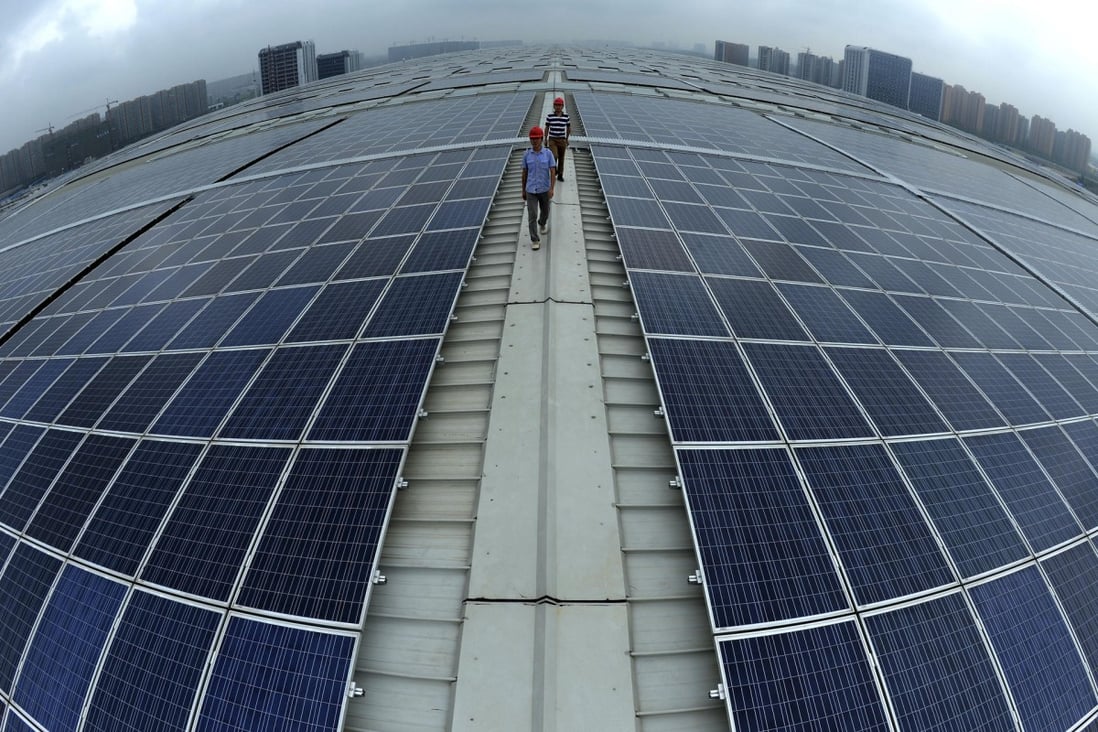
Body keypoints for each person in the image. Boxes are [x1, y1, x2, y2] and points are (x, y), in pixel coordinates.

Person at [521, 126, 556, 250]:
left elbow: (552, 171)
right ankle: (535, 239)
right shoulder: (526, 155)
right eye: (532, 139)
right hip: (531, 190)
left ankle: (542, 223)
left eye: (537, 138)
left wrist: (552, 188)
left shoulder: (548, 154)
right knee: (532, 215)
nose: (534, 141)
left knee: (545, 211)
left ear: (541, 139)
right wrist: (523, 190)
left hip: (544, 189)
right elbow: (524, 173)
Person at [545, 97, 571, 182]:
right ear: (554, 106)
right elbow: (547, 127)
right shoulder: (550, 116)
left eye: (559, 105)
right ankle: (554, 170)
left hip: (562, 139)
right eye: (556, 105)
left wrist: (567, 139)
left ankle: (560, 175)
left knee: (561, 158)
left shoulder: (566, 117)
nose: (558, 107)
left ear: (562, 106)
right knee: (554, 155)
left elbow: (568, 127)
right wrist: (545, 139)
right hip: (552, 139)